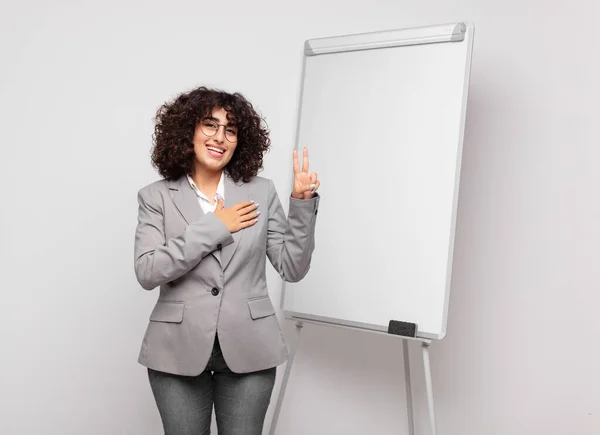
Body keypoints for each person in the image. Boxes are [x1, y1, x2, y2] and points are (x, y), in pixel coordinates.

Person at [133, 86, 320, 435]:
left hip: (250, 348)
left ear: (239, 141)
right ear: (187, 130)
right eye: (209, 125)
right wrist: (215, 226)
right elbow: (147, 270)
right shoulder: (155, 196)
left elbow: (292, 268)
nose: (220, 137)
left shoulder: (260, 191)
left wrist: (302, 203)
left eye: (230, 130)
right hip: (176, 350)